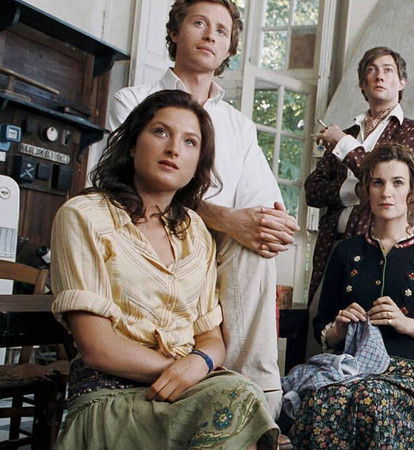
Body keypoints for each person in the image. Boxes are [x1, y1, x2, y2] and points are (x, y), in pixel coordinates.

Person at [89, 0, 300, 415]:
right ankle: (246, 400)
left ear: (229, 49)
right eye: (199, 23)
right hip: (147, 237)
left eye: (221, 31)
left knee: (255, 249)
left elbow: (264, 207)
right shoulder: (135, 100)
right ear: (174, 32)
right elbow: (124, 184)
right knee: (241, 239)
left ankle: (256, 400)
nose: (210, 36)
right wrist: (227, 219)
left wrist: (271, 224)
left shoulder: (239, 126)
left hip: (213, 250)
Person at [51, 90, 278, 449]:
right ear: (132, 144)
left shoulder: (196, 232)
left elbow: (210, 337)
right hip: (110, 397)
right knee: (234, 398)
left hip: (188, 392)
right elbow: (96, 346)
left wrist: (199, 364)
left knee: (240, 398)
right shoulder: (84, 216)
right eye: (160, 132)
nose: (174, 149)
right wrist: (186, 372)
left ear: (198, 164)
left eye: (190, 142)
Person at [290, 143, 414, 448]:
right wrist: (338, 329)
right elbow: (321, 325)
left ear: (411, 191)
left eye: (397, 183)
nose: (387, 192)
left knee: (370, 399)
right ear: (367, 191)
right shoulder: (345, 251)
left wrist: (407, 324)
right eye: (378, 182)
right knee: (320, 400)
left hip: (410, 376)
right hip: (349, 370)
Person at [305, 46, 414, 305]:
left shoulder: (413, 131)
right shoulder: (349, 132)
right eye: (371, 70)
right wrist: (354, 190)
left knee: (371, 316)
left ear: (402, 82)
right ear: (363, 84)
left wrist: (343, 145)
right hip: (331, 245)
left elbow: (395, 179)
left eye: (388, 70)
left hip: (382, 247)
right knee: (322, 318)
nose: (379, 76)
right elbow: (312, 190)